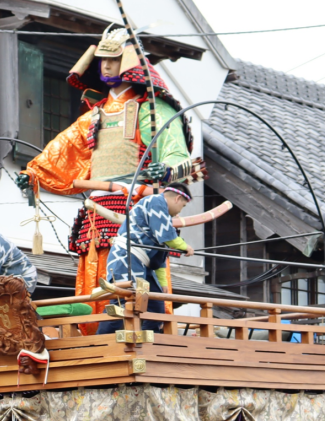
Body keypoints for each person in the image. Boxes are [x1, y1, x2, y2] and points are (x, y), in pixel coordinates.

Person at [16, 25, 203, 327]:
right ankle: (94, 333)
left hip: (137, 207)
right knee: (94, 276)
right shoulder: (94, 115)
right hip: (96, 211)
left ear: (129, 63)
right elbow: (61, 150)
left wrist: (166, 168)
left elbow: (178, 155)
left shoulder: (153, 109)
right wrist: (33, 173)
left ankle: (139, 328)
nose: (105, 65)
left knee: (136, 274)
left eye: (113, 59)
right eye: (102, 58)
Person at [95, 183, 193, 336]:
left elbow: (160, 254)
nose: (180, 211)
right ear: (177, 198)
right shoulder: (155, 201)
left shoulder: (164, 216)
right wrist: (185, 246)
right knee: (123, 303)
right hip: (126, 258)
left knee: (155, 306)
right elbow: (166, 236)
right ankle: (100, 343)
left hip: (142, 264)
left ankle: (149, 342)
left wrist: (162, 282)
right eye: (183, 205)